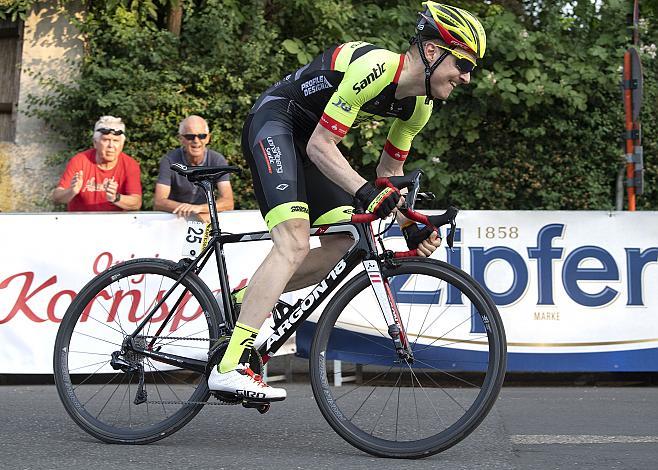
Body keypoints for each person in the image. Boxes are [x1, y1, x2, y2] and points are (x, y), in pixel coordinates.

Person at [208, 2, 486, 400]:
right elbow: (324, 146)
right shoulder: (376, 67)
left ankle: (241, 301)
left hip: (309, 142)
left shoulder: (419, 106)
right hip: (277, 122)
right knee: (294, 241)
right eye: (463, 63)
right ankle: (229, 365)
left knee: (345, 240)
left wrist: (410, 225)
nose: (466, 77)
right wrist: (365, 190)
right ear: (430, 51)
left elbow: (388, 176)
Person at [52, 116, 142, 211]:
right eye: (106, 140)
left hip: (115, 223)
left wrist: (116, 198)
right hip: (80, 222)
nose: (111, 146)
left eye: (116, 141)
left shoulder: (130, 164)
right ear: (95, 142)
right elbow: (57, 197)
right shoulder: (80, 160)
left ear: (122, 144)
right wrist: (72, 191)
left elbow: (136, 203)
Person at [153, 115, 234, 221]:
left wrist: (200, 208)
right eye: (190, 137)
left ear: (208, 138)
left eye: (201, 136)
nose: (196, 140)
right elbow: (159, 202)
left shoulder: (217, 160)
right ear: (181, 139)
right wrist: (190, 209)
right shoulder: (169, 160)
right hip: (175, 220)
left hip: (206, 220)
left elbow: (228, 202)